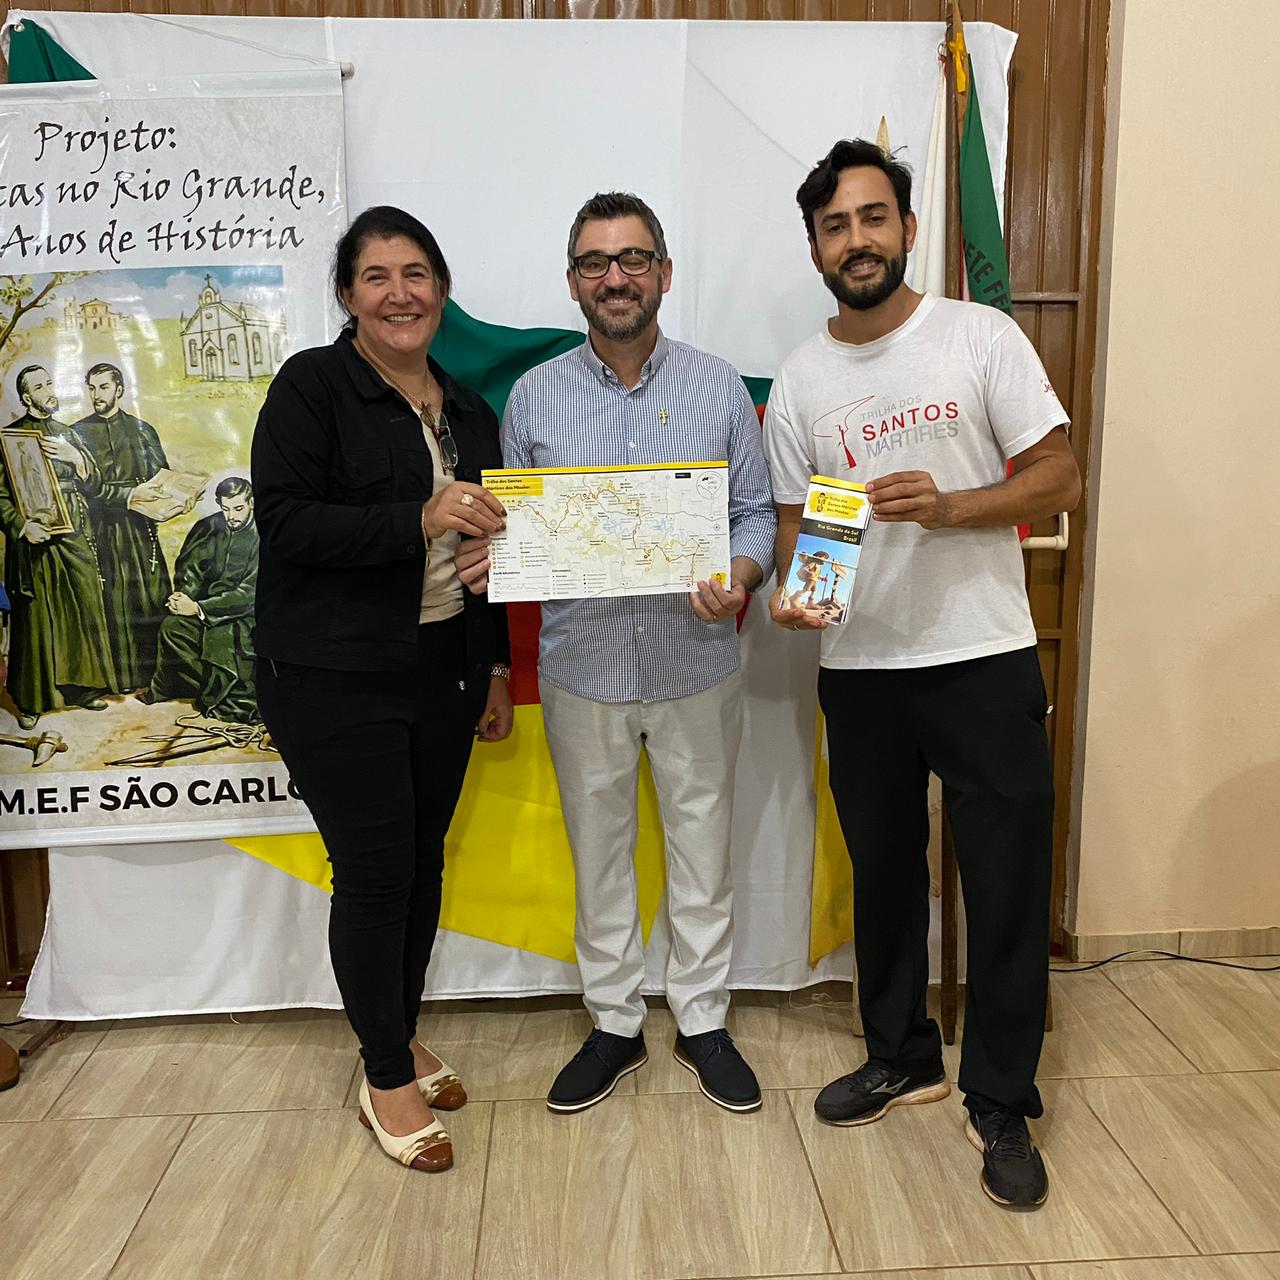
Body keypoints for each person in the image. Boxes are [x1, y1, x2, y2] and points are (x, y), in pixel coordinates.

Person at [763, 139, 1081, 1209]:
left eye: (871, 218)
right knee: (884, 875)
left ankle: (1000, 1096)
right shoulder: (800, 378)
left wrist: (951, 507)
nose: (855, 240)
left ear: (905, 228)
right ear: (815, 247)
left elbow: (1059, 473)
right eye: (834, 226)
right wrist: (794, 592)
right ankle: (901, 1053)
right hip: (859, 668)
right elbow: (795, 523)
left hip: (981, 655)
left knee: (1003, 886)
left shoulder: (977, 337)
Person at [458, 192, 777, 1115]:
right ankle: (614, 1024)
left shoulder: (718, 387)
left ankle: (703, 1020)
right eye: (596, 262)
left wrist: (741, 574)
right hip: (583, 672)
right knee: (598, 857)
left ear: (664, 273)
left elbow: (754, 513)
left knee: (702, 850)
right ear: (573, 283)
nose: (616, 277)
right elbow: (517, 529)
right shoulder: (534, 397)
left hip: (695, 660)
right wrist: (497, 552)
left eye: (634, 258)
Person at [252, 206, 513, 1175]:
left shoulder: (470, 409)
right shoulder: (312, 387)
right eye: (376, 277)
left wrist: (494, 666)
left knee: (419, 864)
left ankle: (394, 1033)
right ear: (347, 295)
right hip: (331, 676)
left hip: (443, 668)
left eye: (416, 274)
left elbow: (487, 555)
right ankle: (384, 1074)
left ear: (441, 291)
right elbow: (284, 522)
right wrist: (417, 516)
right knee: (372, 874)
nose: (399, 293)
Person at [0, 365, 113, 729]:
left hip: (74, 531)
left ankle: (83, 688)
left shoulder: (67, 433)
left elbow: (95, 482)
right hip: (33, 537)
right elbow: (0, 495)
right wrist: (22, 527)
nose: (49, 390)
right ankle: (32, 700)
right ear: (26, 397)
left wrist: (76, 458)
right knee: (36, 617)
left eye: (50, 383)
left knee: (83, 605)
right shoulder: (10, 437)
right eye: (39, 386)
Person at [72, 362, 174, 693]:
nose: (96, 395)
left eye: (103, 387)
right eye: (91, 388)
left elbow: (161, 476)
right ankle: (116, 680)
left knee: (147, 598)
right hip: (101, 530)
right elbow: (79, 487)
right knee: (110, 601)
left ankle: (153, 676)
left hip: (139, 530)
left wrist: (174, 496)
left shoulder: (142, 430)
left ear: (119, 389)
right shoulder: (77, 433)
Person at [140, 476, 260, 724]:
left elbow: (249, 593)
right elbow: (191, 570)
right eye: (226, 509)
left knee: (221, 639)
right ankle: (194, 688)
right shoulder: (210, 527)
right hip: (204, 608)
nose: (232, 517)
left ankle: (225, 695)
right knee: (172, 628)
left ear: (251, 503)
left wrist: (198, 608)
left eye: (238, 508)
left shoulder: (262, 534)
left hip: (244, 615)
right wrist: (184, 596)